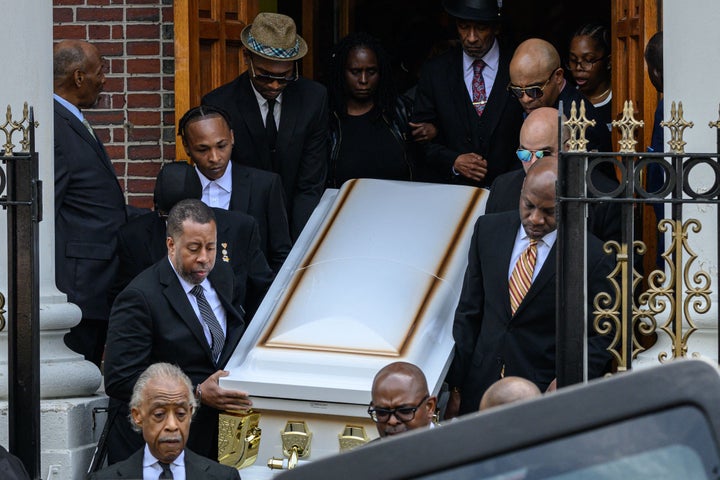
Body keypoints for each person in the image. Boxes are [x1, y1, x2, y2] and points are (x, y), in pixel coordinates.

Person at [445, 158, 614, 416]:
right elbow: (469, 312)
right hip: (480, 388)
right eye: (529, 206)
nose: (535, 219)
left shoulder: (593, 257)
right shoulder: (487, 231)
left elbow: (602, 335)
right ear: (522, 189)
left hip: (543, 395)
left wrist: (568, 380)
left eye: (548, 211)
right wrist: (456, 387)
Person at [104, 199, 253, 464]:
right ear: (171, 245)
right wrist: (195, 393)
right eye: (194, 249)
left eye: (211, 247)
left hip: (213, 444)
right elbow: (119, 379)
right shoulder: (139, 298)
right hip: (157, 446)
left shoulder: (222, 275)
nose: (204, 259)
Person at [202, 12, 328, 240]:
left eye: (285, 77)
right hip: (242, 225)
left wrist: (301, 244)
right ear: (246, 57)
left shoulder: (314, 99)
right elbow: (220, 180)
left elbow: (310, 182)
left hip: (297, 220)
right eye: (263, 76)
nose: (274, 84)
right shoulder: (219, 103)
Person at [113, 162, 274, 318]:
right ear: (158, 209)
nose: (177, 225)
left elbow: (263, 290)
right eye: (169, 218)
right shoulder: (133, 237)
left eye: (186, 217)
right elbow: (125, 301)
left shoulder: (240, 228)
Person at [53, 39, 127, 367]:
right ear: (79, 77)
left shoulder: (71, 118)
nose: (105, 79)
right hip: (79, 288)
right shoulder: (54, 126)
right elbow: (46, 210)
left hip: (96, 283)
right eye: (100, 71)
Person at [411, 0, 524, 187]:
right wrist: (453, 161)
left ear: (496, 28)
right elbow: (420, 141)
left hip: (509, 192)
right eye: (464, 27)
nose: (471, 38)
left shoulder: (517, 67)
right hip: (451, 191)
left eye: (480, 28)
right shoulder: (436, 71)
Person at [178, 105, 292, 272]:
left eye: (221, 146)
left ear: (232, 137)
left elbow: (281, 253)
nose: (215, 158)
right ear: (186, 147)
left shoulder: (265, 185)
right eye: (203, 149)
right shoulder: (177, 189)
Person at [486, 107, 621, 243]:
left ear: (567, 148)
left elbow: (614, 261)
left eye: (543, 154)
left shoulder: (605, 197)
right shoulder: (502, 187)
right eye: (525, 154)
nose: (533, 162)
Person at [90, 363, 240, 479]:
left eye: (180, 414)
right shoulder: (105, 478)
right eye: (159, 414)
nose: (172, 426)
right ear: (138, 416)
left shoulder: (223, 477)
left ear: (190, 413)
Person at [327, 32, 414, 187]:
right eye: (355, 72)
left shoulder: (400, 112)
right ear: (342, 72)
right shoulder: (328, 119)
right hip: (345, 208)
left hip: (399, 206)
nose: (363, 80)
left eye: (371, 72)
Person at [508, 38, 612, 156]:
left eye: (534, 90)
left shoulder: (581, 124)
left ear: (558, 76)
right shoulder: (515, 108)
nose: (525, 99)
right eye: (517, 91)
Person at [368, 362, 438, 438]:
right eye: (382, 412)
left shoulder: (451, 447)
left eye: (404, 411)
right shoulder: (366, 450)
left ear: (430, 407)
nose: (392, 421)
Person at [567, 24, 613, 131]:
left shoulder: (620, 101)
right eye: (573, 60)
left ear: (609, 62)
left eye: (588, 60)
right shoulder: (567, 100)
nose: (578, 67)